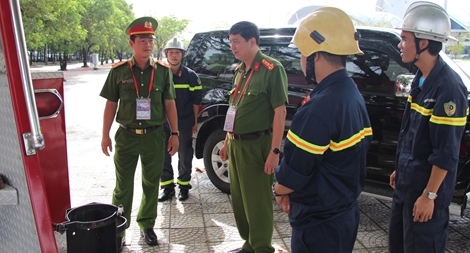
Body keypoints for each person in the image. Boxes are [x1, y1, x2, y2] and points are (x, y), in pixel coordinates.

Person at [272, 7, 373, 253]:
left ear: (315, 55)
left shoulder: (319, 106)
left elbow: (293, 173)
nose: (300, 60)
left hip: (319, 227)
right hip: (343, 215)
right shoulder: (351, 93)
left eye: (302, 53)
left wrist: (279, 191)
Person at [389, 2, 468, 252]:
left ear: (424, 43)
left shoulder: (449, 88)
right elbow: (411, 133)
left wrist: (430, 195)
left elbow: (445, 152)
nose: (400, 45)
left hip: (425, 195)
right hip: (406, 187)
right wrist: (399, 169)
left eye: (404, 38)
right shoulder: (420, 79)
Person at [99, 16, 179, 248]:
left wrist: (175, 134)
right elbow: (110, 104)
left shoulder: (163, 71)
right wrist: (105, 134)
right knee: (122, 185)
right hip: (126, 135)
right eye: (142, 40)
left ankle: (147, 225)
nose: (148, 44)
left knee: (151, 183)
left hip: (155, 135)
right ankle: (119, 230)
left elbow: (170, 104)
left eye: (151, 40)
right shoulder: (119, 71)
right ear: (131, 43)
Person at [219, 21, 288, 253]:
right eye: (231, 42)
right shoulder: (240, 71)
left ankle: (262, 248)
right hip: (237, 145)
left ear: (252, 41)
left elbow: (280, 112)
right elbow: (235, 108)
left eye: (236, 41)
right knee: (240, 200)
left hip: (258, 146)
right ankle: (249, 244)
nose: (233, 47)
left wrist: (275, 152)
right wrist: (228, 140)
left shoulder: (271, 69)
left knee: (257, 202)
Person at [158, 37, 202, 202]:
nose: (174, 55)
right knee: (163, 155)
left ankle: (184, 186)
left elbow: (196, 101)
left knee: (184, 154)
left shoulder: (191, 76)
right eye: (171, 52)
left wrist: (195, 122)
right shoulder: (160, 74)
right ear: (166, 54)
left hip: (184, 122)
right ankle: (167, 187)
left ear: (182, 55)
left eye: (177, 52)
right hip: (162, 123)